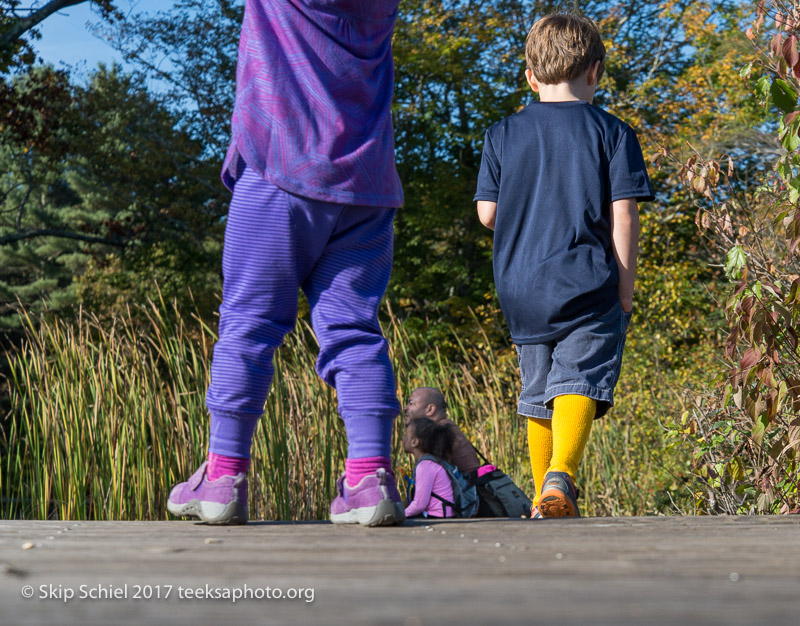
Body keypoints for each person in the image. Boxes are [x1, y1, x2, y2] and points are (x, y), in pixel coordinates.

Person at [167, 1, 406, 526]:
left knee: (248, 323)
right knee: (354, 331)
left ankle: (223, 476)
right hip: (366, 187)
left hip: (282, 171)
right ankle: (371, 479)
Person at [473, 13, 654, 519]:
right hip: (587, 280)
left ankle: (541, 500)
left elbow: (487, 213)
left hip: (520, 286)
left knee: (537, 392)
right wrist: (625, 287)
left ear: (530, 77)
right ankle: (561, 478)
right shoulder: (613, 133)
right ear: (595, 71)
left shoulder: (502, 133)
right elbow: (624, 214)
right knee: (579, 377)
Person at [403, 387, 481, 475]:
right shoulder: (447, 427)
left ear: (430, 409)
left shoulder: (439, 432)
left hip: (466, 486)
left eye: (411, 403)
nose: (406, 408)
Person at [403, 418, 457, 518]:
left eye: (406, 436)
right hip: (444, 515)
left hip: (438, 517)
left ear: (414, 442)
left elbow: (419, 505)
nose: (404, 438)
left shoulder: (425, 466)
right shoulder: (432, 461)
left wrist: (400, 515)